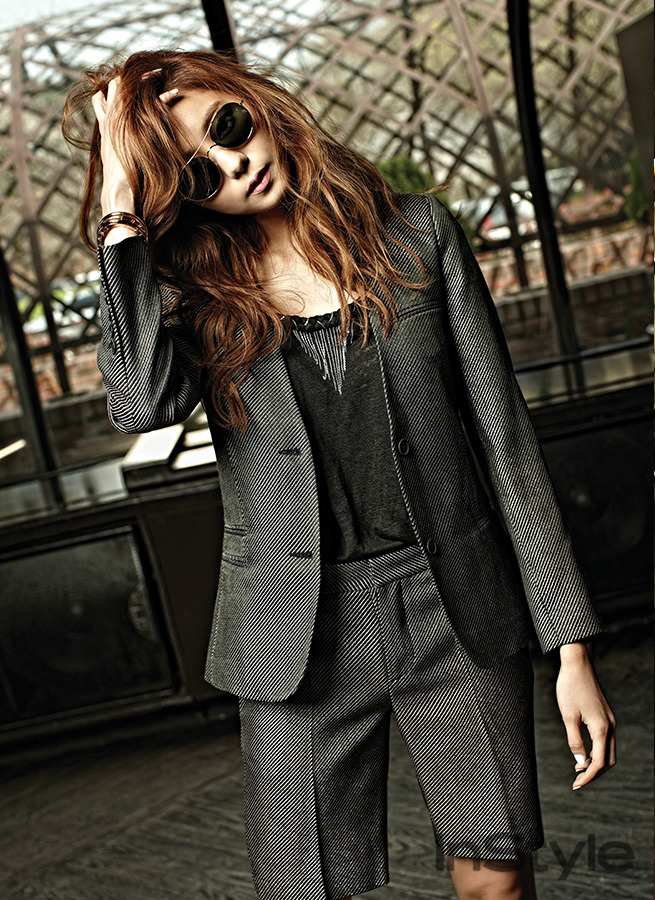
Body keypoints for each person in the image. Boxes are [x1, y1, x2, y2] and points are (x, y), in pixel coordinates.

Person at [63, 49, 616, 900]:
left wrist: (570, 647)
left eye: (229, 128)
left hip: (453, 607)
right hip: (295, 631)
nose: (234, 165)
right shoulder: (194, 301)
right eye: (198, 175)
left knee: (496, 880)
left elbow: (504, 443)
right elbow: (138, 404)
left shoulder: (418, 234)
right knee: (302, 888)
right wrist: (119, 211)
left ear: (254, 101)